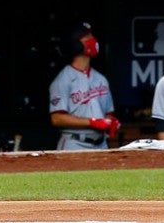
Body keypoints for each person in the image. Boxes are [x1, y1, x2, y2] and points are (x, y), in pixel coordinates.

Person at [48, 22, 120, 150]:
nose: (92, 40)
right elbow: (57, 118)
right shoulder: (63, 80)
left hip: (101, 144)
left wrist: (111, 122)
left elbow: (108, 113)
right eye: (87, 37)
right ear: (75, 43)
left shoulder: (101, 79)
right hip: (74, 143)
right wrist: (91, 122)